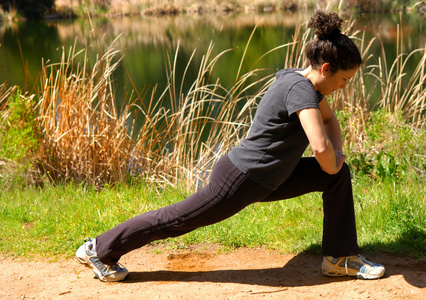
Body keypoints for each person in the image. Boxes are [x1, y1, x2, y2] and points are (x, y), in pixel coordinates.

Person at [76, 10, 385, 282]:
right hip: (242, 178)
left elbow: (330, 123)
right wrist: (332, 160)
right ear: (327, 68)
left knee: (336, 175)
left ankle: (339, 259)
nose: (345, 86)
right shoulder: (302, 92)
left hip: (271, 176)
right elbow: (319, 147)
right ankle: (99, 249)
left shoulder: (303, 82)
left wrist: (338, 159)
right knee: (176, 219)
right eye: (345, 79)